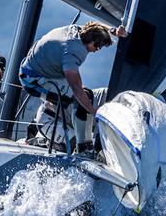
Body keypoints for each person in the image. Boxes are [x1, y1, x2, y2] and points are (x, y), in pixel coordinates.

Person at [19, 21, 127, 152]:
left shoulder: (78, 31)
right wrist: (94, 112)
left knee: (80, 97)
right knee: (79, 98)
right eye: (97, 47)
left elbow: (96, 25)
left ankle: (74, 140)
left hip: (43, 69)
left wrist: (114, 31)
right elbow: (77, 89)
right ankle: (84, 148)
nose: (95, 51)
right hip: (33, 81)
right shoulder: (73, 52)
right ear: (92, 41)